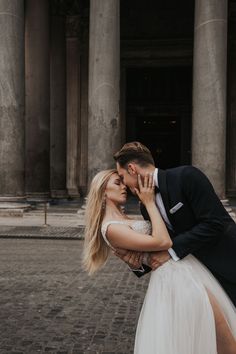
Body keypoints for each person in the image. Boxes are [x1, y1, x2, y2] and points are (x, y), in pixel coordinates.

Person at [83, 169, 236, 354]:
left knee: (216, 336)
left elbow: (153, 251)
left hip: (186, 269)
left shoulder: (123, 220)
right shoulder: (110, 228)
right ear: (103, 191)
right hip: (176, 279)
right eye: (118, 183)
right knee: (220, 335)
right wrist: (149, 204)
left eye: (123, 182)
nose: (124, 187)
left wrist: (137, 265)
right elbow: (164, 241)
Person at [113, 141, 236, 307]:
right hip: (198, 279)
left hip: (228, 266)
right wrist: (138, 265)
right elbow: (162, 244)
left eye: (122, 177)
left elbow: (214, 223)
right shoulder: (145, 206)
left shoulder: (186, 176)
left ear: (132, 169)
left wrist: (171, 251)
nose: (124, 184)